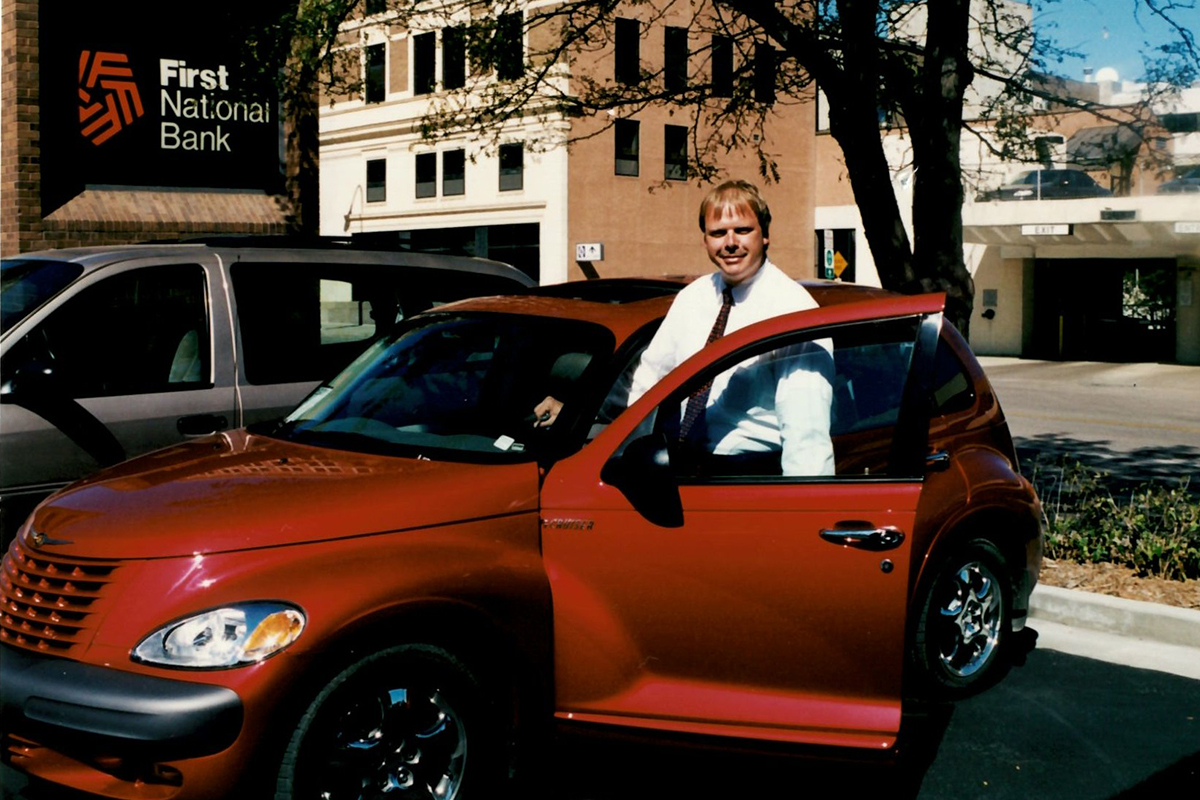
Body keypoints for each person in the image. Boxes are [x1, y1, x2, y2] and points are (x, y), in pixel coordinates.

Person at [534, 180, 834, 476]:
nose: (730, 242)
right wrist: (579, 414)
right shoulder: (693, 297)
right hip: (679, 469)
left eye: (743, 230)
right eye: (718, 233)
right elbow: (647, 381)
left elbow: (806, 431)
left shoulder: (793, 310)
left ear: (765, 235)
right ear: (705, 240)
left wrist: (805, 506)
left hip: (751, 475)